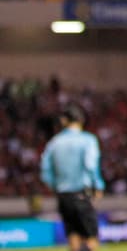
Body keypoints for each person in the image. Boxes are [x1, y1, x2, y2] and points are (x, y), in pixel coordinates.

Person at [39, 105, 103, 251]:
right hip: (81, 193)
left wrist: (56, 186)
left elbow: (45, 172)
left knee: (73, 235)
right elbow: (90, 165)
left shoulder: (54, 143)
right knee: (91, 236)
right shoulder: (88, 140)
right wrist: (98, 186)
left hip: (63, 195)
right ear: (81, 120)